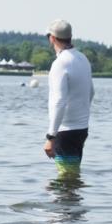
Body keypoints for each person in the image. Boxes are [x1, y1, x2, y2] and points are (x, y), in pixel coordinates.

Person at [43, 19, 94, 175]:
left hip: (65, 131)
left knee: (66, 179)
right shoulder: (82, 58)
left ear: (52, 38)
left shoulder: (60, 63)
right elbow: (91, 92)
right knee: (72, 177)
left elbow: (59, 101)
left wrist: (51, 136)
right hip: (81, 129)